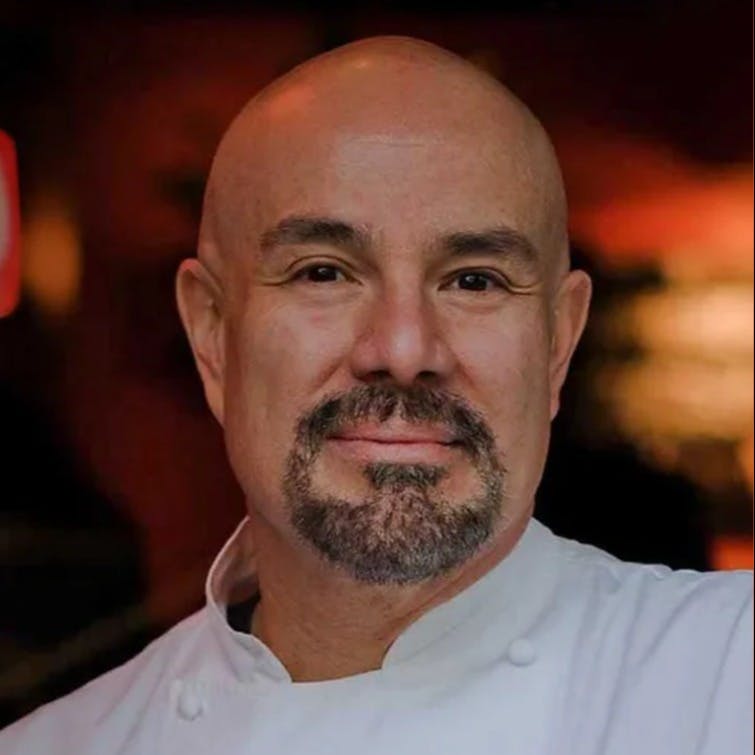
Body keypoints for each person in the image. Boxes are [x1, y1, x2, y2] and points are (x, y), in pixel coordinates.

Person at [1, 36, 751, 755]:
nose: (402, 350)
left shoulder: (726, 674)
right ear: (212, 332)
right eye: (323, 272)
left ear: (558, 340)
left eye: (474, 280)